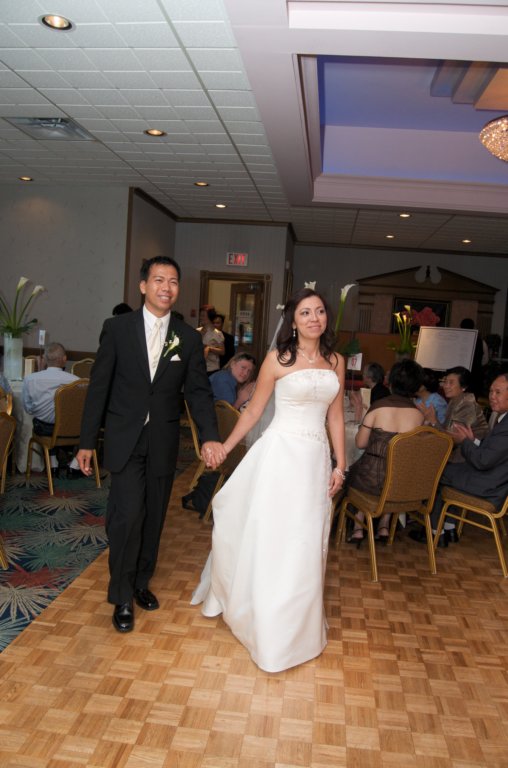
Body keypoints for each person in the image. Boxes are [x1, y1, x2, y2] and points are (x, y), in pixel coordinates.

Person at [191, 287, 346, 673]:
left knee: (307, 539)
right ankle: (265, 618)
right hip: (280, 456)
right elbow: (252, 411)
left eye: (319, 311)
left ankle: (299, 627)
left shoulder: (336, 361)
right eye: (305, 312)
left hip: (315, 461)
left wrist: (340, 465)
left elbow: (335, 417)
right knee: (277, 536)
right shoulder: (277, 359)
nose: (314, 318)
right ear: (293, 321)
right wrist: (225, 447)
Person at [76, 256, 225, 634]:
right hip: (124, 438)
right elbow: (98, 387)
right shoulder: (117, 329)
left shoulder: (187, 337)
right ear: (143, 285)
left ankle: (141, 580)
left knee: (154, 514)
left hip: (162, 439)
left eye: (172, 281)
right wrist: (86, 441)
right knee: (127, 516)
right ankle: (121, 595)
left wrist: (210, 435)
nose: (166, 287)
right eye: (159, 280)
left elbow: (198, 392)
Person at [410, 374, 508, 546]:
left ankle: (434, 532)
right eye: (491, 391)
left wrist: (464, 441)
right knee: (448, 470)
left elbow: (483, 461)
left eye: (498, 392)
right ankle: (448, 528)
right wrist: (472, 440)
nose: (492, 396)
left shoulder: (499, 421)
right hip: (491, 479)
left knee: (438, 472)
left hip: (490, 487)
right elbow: (493, 451)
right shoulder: (503, 418)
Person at [346, 359, 425, 543]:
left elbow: (360, 443)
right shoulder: (419, 415)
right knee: (394, 469)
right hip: (402, 482)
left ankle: (358, 527)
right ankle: (384, 525)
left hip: (372, 480)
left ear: (390, 382)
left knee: (357, 472)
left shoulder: (379, 407)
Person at [181, 353, 257, 516]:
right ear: (232, 364)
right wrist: (242, 397)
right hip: (214, 437)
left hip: (213, 431)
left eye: (249, 371)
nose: (245, 373)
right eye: (243, 367)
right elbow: (226, 417)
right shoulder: (223, 380)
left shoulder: (226, 378)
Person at [22, 342, 79, 474]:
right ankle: (74, 463)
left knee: (46, 418)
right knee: (61, 417)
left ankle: (53, 463)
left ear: (44, 359)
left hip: (45, 429)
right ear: (64, 359)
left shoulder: (30, 379)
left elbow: (28, 409)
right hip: (71, 431)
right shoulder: (77, 381)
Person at [417, 366, 488, 461]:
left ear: (463, 387)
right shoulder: (455, 400)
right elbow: (446, 430)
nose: (446, 386)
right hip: (457, 453)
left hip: (465, 458)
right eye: (445, 381)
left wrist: (434, 421)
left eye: (451, 383)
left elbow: (452, 440)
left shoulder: (467, 405)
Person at [197, 305, 225, 375]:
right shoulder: (197, 331)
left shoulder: (217, 333)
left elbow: (222, 351)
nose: (200, 318)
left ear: (210, 317)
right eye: (200, 315)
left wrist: (209, 348)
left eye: (203, 316)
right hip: (198, 367)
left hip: (211, 368)